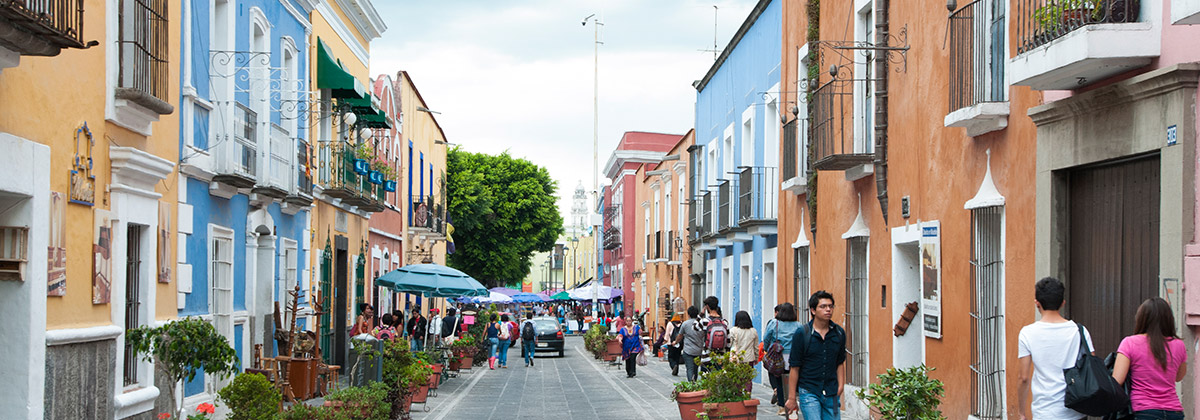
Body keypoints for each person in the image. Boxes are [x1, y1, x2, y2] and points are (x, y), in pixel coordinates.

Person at [1016, 277, 1094, 420]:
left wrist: (1021, 412)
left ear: (1037, 303)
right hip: (1076, 411)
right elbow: (1092, 368)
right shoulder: (1080, 331)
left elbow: (1024, 378)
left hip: (1044, 412)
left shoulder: (1027, 333)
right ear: (1062, 303)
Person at [1111, 297, 1188, 420]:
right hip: (1174, 412)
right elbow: (1179, 377)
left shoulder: (1130, 343)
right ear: (1168, 319)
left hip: (1143, 411)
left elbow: (1117, 381)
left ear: (1142, 318)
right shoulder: (1179, 345)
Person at [786, 291, 846, 420]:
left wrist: (840, 387)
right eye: (823, 307)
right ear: (813, 310)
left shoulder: (839, 333)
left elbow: (840, 362)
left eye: (830, 306)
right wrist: (791, 398)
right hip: (809, 391)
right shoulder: (802, 333)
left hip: (831, 392)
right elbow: (794, 367)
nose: (828, 310)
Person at [763, 303, 802, 416]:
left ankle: (781, 406)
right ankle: (793, 402)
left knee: (779, 381)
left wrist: (767, 348)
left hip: (778, 357)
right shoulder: (798, 325)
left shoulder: (774, 323)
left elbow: (767, 338)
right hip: (794, 357)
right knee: (793, 381)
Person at [675, 306, 705, 382]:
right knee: (695, 369)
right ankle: (694, 381)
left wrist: (675, 342)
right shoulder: (702, 324)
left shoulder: (685, 324)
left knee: (689, 368)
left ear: (688, 314)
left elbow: (680, 336)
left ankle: (691, 384)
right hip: (699, 350)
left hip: (688, 350)